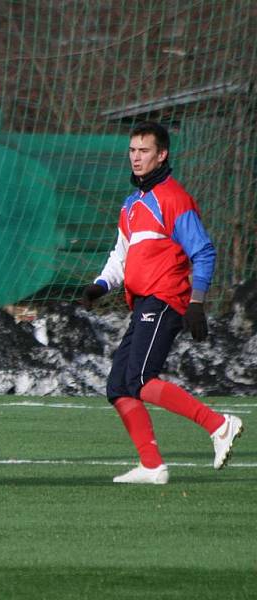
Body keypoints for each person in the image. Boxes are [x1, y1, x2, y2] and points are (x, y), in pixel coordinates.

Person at [81, 121, 244, 485]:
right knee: (119, 387)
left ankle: (219, 425)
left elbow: (203, 252)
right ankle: (152, 466)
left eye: (144, 151)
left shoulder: (172, 198)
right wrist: (99, 285)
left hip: (166, 298)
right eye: (132, 151)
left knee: (139, 377)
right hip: (142, 303)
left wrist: (197, 303)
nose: (136, 158)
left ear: (162, 155)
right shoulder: (132, 204)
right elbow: (121, 256)